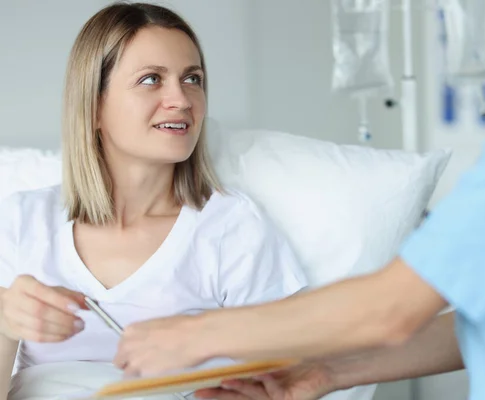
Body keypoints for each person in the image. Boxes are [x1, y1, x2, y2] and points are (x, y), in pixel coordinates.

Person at [113, 0, 485, 399]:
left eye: (191, 78)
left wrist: (195, 335)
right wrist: (327, 372)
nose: (178, 98)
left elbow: (392, 307)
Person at [0, 2, 308, 399]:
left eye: (192, 78)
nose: (181, 99)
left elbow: (289, 375)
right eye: (151, 80)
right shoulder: (20, 222)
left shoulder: (230, 228)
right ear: (94, 105)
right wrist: (5, 323)